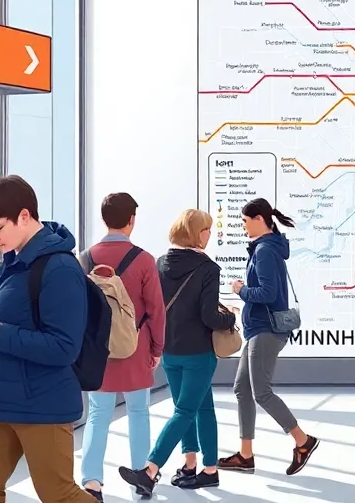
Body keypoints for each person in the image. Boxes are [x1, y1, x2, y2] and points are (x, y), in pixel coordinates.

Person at [0, 175, 95, 503]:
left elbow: (64, 347)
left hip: (43, 402)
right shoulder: (12, 262)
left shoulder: (60, 268)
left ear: (24, 216)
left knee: (57, 494)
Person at [118, 210, 237, 496]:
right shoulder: (208, 268)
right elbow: (209, 317)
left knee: (196, 406)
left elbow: (154, 309)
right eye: (207, 229)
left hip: (169, 350)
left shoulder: (160, 263)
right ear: (196, 233)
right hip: (198, 352)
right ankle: (150, 470)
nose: (210, 234)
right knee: (188, 410)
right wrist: (230, 318)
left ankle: (196, 466)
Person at [219, 198, 319, 476]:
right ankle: (245, 454)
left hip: (265, 330)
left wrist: (240, 289)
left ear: (259, 219)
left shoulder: (264, 250)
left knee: (261, 392)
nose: (243, 226)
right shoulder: (267, 248)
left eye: (244, 221)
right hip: (257, 329)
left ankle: (303, 441)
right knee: (242, 389)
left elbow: (267, 293)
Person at [79, 193, 166, 500]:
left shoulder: (85, 258)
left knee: (98, 415)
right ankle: (142, 475)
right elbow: (156, 309)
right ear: (132, 220)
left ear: (104, 219)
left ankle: (91, 483)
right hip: (135, 347)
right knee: (139, 411)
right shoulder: (143, 260)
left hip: (98, 352)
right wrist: (157, 349)